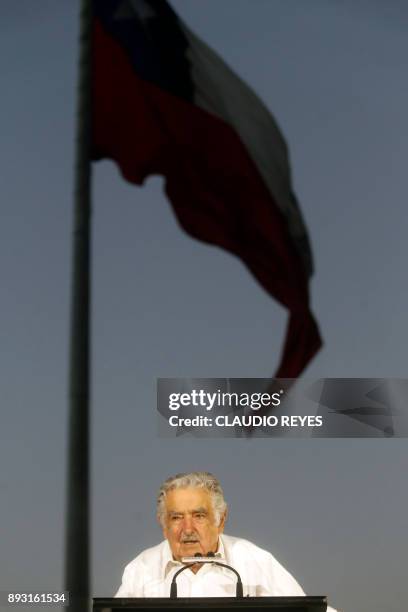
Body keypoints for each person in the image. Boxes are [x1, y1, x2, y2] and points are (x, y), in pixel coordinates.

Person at [115, 472, 338, 611]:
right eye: (176, 518)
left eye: (199, 516)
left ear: (221, 520)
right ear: (163, 524)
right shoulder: (141, 569)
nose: (188, 529)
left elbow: (309, 610)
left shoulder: (252, 560)